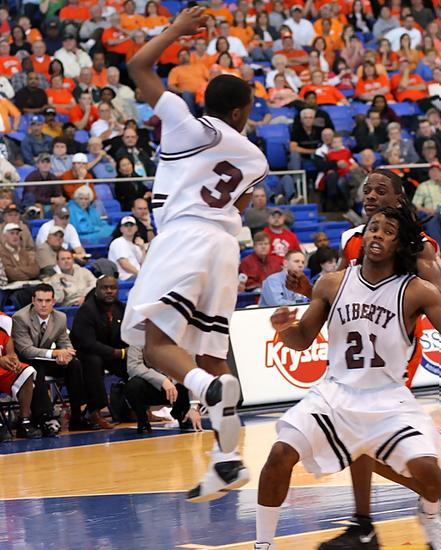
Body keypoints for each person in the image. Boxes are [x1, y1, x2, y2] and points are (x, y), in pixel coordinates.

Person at [121, 6, 268, 503]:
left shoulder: (185, 123)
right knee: (210, 355)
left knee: (155, 344)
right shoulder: (256, 157)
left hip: (184, 236)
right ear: (240, 113)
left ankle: (205, 391)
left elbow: (137, 66)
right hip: (225, 246)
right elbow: (239, 207)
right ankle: (226, 460)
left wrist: (177, 31)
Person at [254, 205, 441, 550]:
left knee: (430, 473)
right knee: (280, 453)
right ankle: (263, 545)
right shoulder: (332, 283)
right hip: (335, 394)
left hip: (389, 398)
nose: (377, 234)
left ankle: (430, 516)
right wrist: (283, 329)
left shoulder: (417, 291)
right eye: (373, 227)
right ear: (363, 235)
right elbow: (302, 339)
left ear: (399, 244)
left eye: (388, 231)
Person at [331, 169, 441, 550]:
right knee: (355, 439)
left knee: (363, 438)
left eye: (380, 190)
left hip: (394, 353)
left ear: (399, 199)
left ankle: (427, 497)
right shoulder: (352, 240)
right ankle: (365, 521)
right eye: (367, 190)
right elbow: (339, 292)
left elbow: (437, 296)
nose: (370, 196)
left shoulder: (420, 247)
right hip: (353, 353)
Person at [12, 284, 90, 434]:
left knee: (74, 364)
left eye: (47, 301)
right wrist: (54, 354)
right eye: (40, 300)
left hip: (45, 359)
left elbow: (65, 343)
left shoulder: (60, 317)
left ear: (53, 302)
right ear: (33, 301)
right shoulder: (20, 318)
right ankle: (44, 417)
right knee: (36, 369)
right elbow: (26, 351)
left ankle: (77, 415)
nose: (43, 305)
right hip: (25, 362)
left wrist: (65, 356)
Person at [69, 276, 128, 429]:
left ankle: (137, 408)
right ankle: (94, 411)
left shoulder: (121, 308)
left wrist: (127, 351)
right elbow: (87, 343)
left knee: (135, 361)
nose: (109, 291)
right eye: (104, 288)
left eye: (112, 288)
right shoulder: (87, 310)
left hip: (110, 353)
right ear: (96, 290)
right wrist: (117, 352)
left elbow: (127, 334)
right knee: (94, 361)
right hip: (85, 353)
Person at [125, 345, 201, 434]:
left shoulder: (185, 339)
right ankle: (142, 419)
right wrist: (162, 380)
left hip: (178, 386)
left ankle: (182, 413)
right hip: (152, 385)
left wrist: (194, 406)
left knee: (188, 382)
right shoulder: (138, 337)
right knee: (133, 385)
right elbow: (133, 366)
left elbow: (192, 372)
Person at [108, 216, 146, 280]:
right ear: (121, 229)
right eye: (126, 226)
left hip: (137, 276)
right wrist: (141, 275)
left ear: (136, 228)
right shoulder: (118, 242)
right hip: (125, 278)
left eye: (131, 225)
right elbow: (124, 264)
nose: (129, 228)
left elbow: (144, 264)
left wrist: (142, 248)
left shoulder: (136, 245)